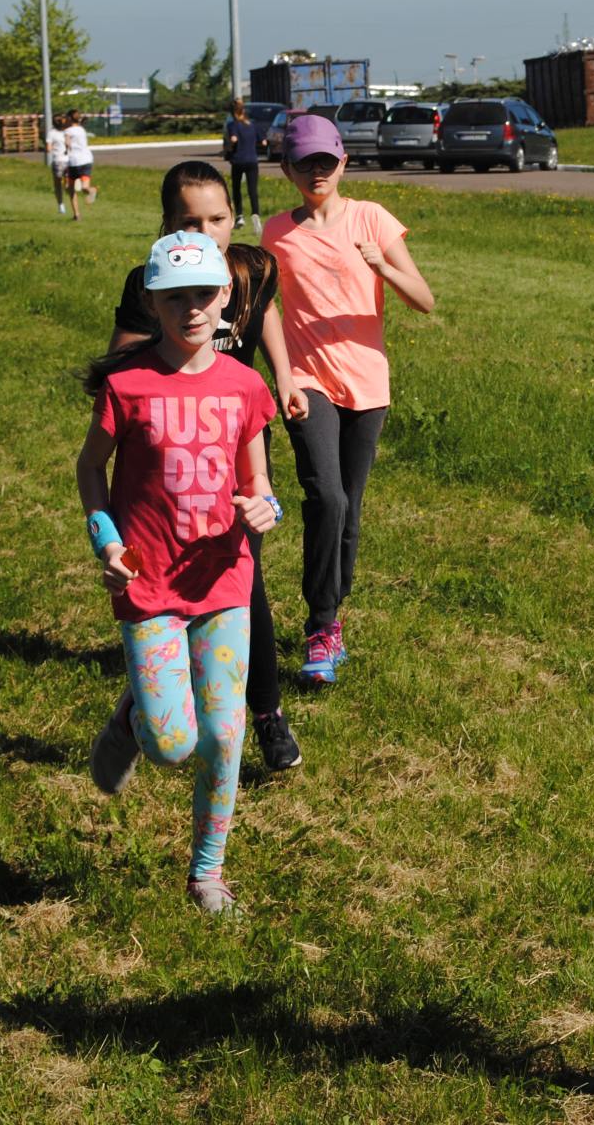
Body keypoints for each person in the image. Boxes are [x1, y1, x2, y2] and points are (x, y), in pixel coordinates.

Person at [77, 231, 281, 915]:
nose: (190, 309)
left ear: (226, 299)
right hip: (147, 579)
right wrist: (105, 540)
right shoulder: (127, 385)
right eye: (174, 298)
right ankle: (135, 714)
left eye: (202, 295)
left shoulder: (246, 386)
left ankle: (206, 873)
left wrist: (265, 507)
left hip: (224, 578)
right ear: (152, 302)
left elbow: (258, 482)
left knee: (223, 735)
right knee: (171, 745)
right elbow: (90, 469)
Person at [110, 161, 309, 771]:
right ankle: (152, 693)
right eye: (189, 221)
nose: (206, 232)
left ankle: (267, 712)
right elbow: (119, 363)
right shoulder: (152, 283)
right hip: (169, 456)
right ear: (166, 225)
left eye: (217, 218)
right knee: (177, 576)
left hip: (236, 453)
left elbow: (266, 316)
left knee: (243, 580)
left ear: (233, 217)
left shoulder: (252, 271)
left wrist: (285, 377)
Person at [262, 114, 434, 685]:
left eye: (326, 161)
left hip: (367, 382)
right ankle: (320, 624)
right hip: (307, 380)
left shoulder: (372, 219)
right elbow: (263, 307)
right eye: (304, 163)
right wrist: (281, 376)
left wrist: (382, 265)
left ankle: (332, 611)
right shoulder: (275, 233)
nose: (317, 171)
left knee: (350, 509)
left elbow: (424, 299)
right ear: (287, 169)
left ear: (343, 163)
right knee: (327, 498)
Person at [223, 98, 263, 234]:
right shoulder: (252, 125)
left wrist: (229, 147)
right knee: (253, 190)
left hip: (238, 160)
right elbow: (263, 141)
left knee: (236, 189)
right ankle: (256, 215)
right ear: (244, 111)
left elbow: (233, 139)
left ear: (232, 113)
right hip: (252, 160)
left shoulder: (232, 125)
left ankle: (239, 216)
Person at [64, 110, 96, 209]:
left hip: (74, 161)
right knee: (84, 187)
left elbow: (67, 144)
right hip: (87, 160)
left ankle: (76, 213)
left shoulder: (68, 131)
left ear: (69, 118)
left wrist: (64, 151)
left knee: (70, 188)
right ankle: (91, 190)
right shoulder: (82, 129)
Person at [46, 111, 70, 216]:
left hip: (57, 161)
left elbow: (48, 149)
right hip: (68, 160)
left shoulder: (51, 133)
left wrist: (53, 148)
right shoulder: (67, 132)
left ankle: (61, 205)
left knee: (58, 185)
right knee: (68, 183)